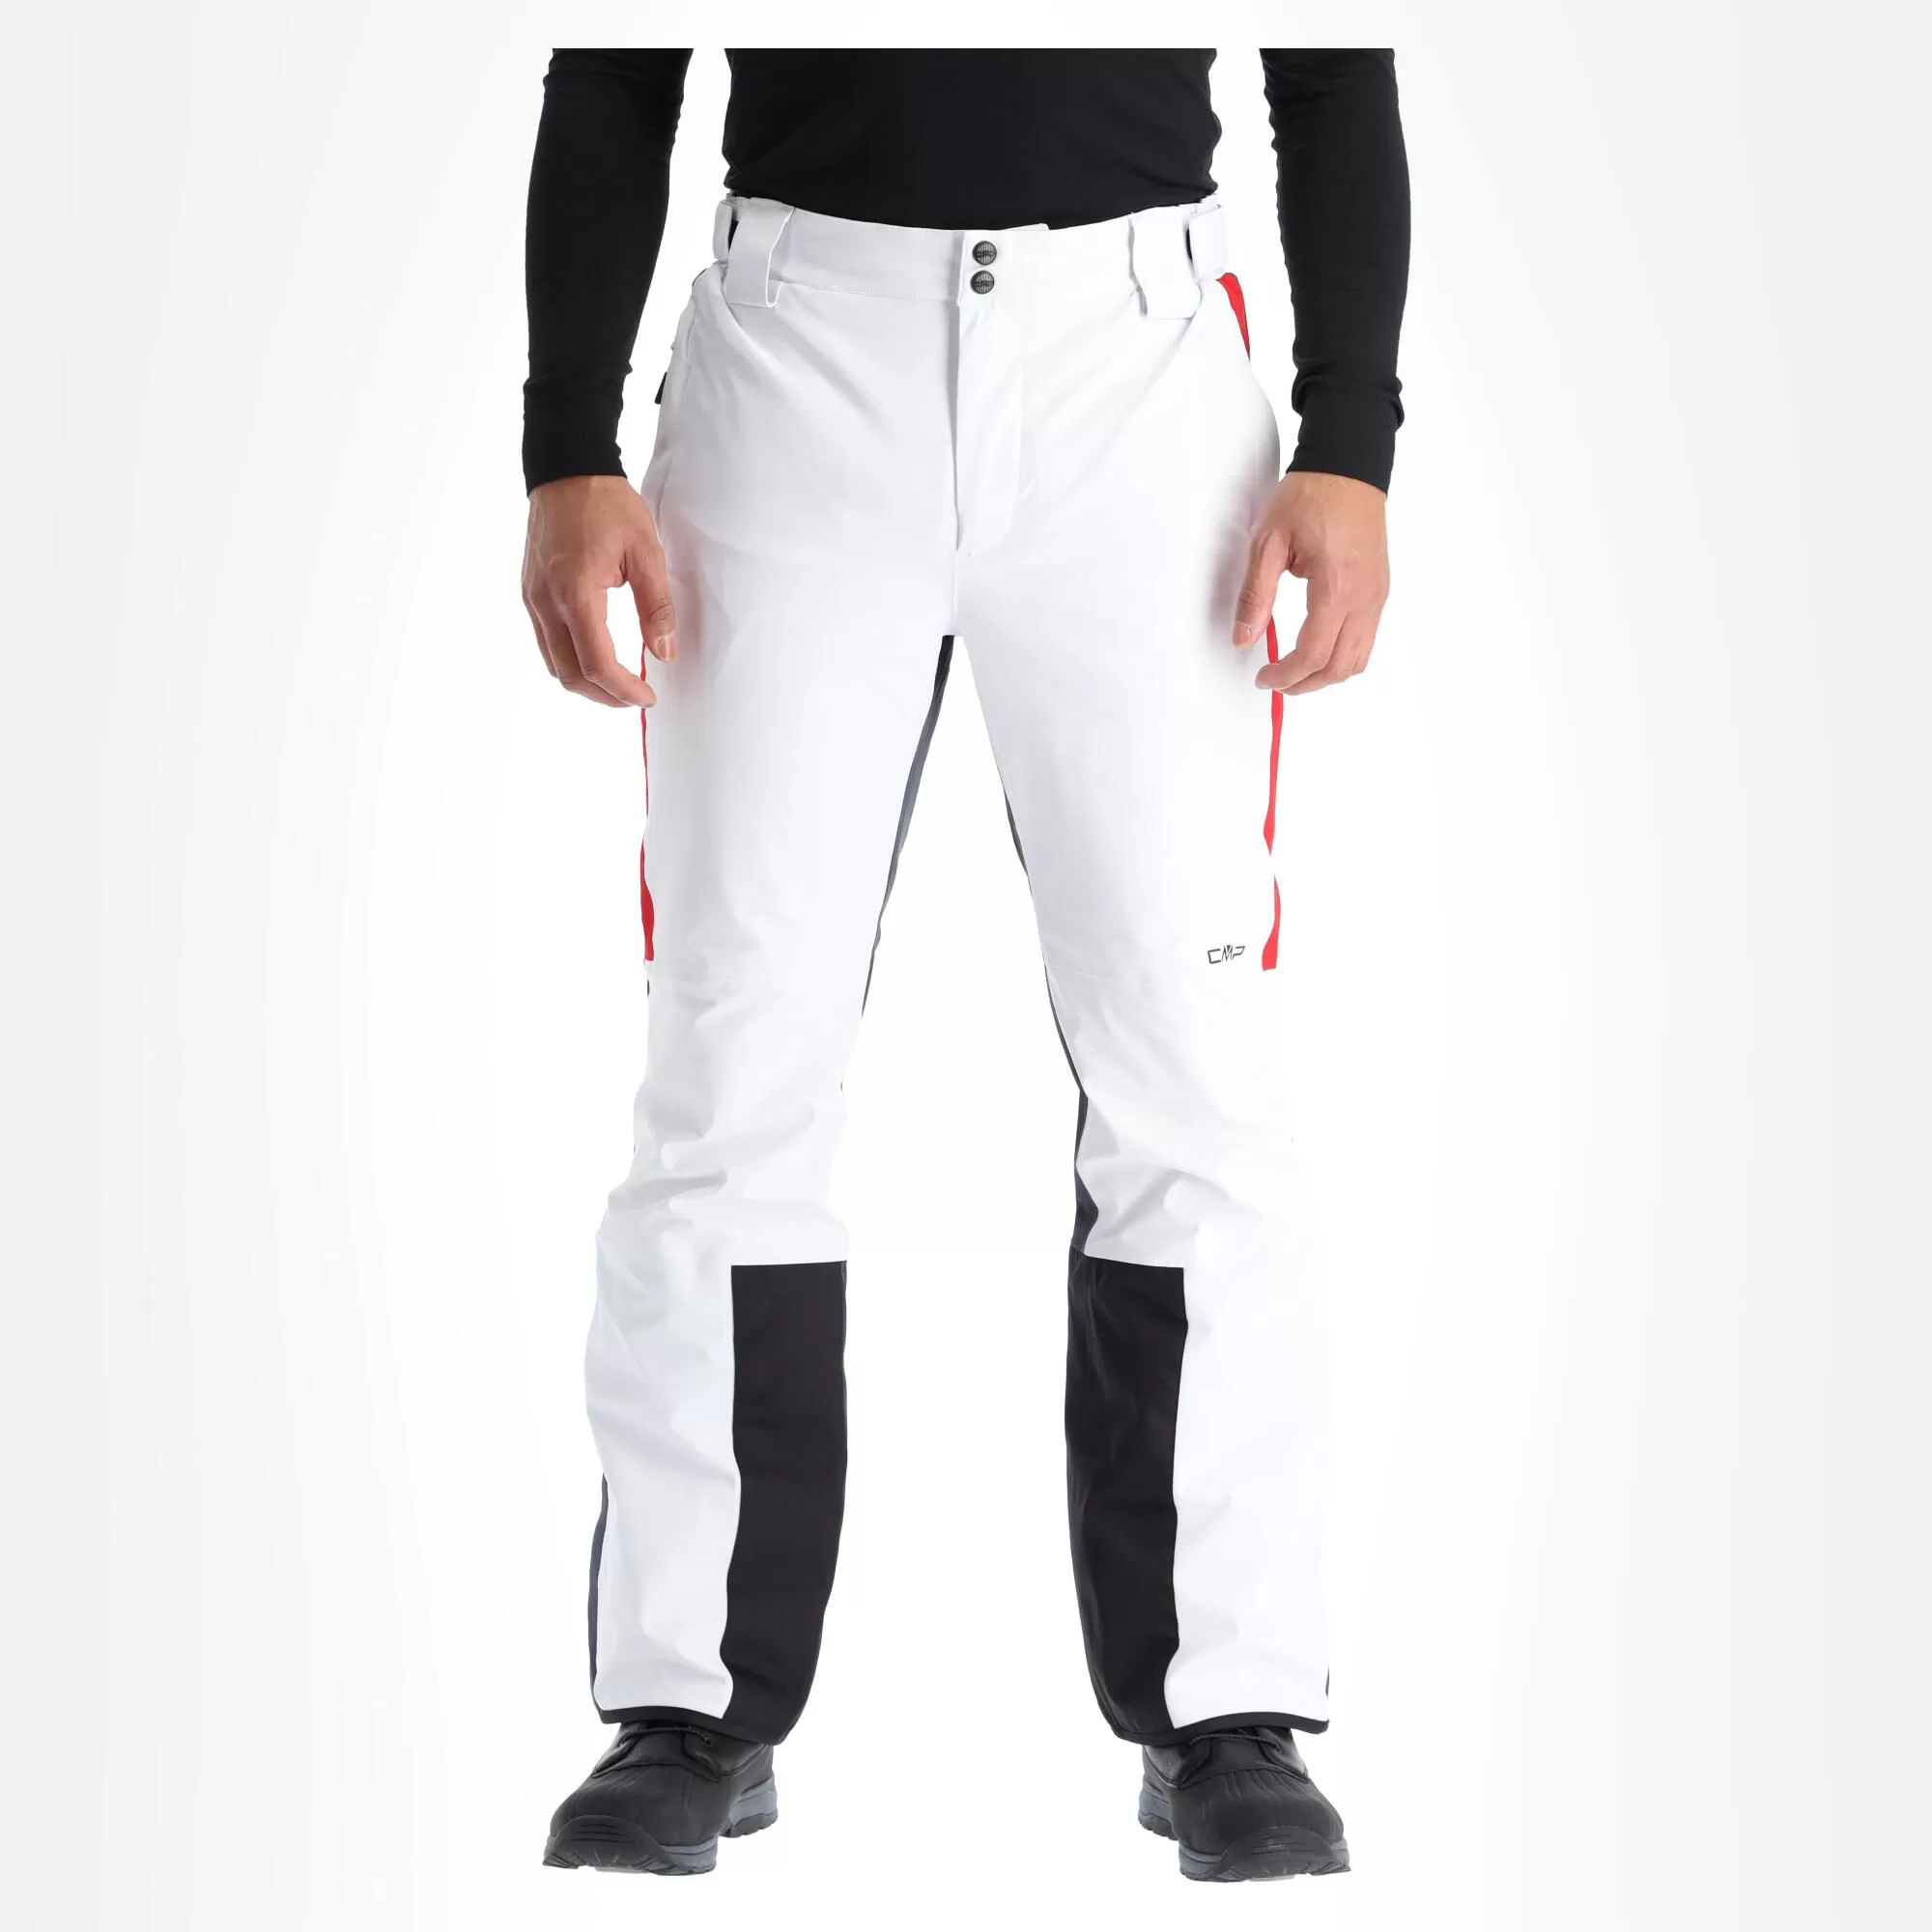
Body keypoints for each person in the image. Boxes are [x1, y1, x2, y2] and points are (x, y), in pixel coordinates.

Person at [520, 48, 1408, 1884]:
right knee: (732, 1054)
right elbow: (615, 65)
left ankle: (1225, 1702)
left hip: (1133, 367)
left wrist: (1351, 437)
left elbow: (1334, 71)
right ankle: (689, 1700)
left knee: (1188, 1056)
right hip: (795, 356)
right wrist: (567, 446)